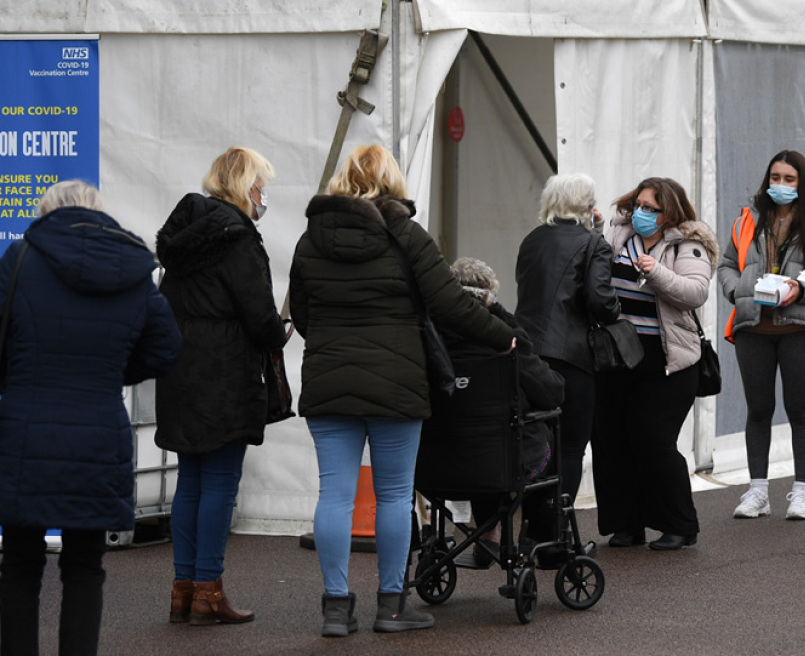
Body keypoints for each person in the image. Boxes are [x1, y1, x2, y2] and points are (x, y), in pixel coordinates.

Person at [290, 145, 515, 637]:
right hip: (396, 384)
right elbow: (451, 304)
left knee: (334, 496)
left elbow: (302, 313)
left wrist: (335, 346)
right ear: (392, 183)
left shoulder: (311, 238)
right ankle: (391, 606)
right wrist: (505, 337)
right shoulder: (406, 235)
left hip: (329, 384)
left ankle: (335, 608)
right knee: (394, 496)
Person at [0, 181, 182, 656]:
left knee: (20, 564)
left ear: (46, 213)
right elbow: (167, 349)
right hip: (99, 432)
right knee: (85, 566)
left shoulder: (20, 260)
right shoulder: (132, 269)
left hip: (25, 431)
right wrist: (114, 370)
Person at [155, 146, 288, 625]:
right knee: (220, 484)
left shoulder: (183, 240)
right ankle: (209, 590)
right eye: (261, 186)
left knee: (190, 481)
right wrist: (281, 331)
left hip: (180, 369)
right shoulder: (238, 238)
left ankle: (182, 590)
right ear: (245, 186)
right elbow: (259, 315)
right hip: (226, 372)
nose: (263, 195)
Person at [717, 150, 805, 521]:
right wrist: (736, 291)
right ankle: (757, 491)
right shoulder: (746, 220)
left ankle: (802, 492)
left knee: (799, 409)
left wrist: (799, 289)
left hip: (800, 328)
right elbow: (726, 265)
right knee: (758, 410)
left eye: (790, 180)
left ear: (802, 184)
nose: (781, 185)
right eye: (775, 178)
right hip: (752, 327)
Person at [592, 177, 717, 551]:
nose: (642, 214)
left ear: (669, 213)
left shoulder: (687, 244)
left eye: (651, 209)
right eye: (638, 206)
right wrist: (595, 230)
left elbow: (695, 293)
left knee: (652, 438)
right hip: (617, 356)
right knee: (610, 439)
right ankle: (625, 525)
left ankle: (680, 524)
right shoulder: (618, 235)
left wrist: (655, 270)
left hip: (668, 362)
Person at [439, 257, 565, 570]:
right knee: (540, 441)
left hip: (438, 464)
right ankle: (541, 537)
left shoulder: (432, 338)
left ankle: (487, 535)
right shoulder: (504, 338)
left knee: (478, 436)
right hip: (504, 462)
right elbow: (552, 391)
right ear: (489, 298)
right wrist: (503, 317)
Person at [514, 173, 621, 504]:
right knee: (572, 445)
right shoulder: (594, 244)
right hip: (572, 357)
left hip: (526, 354)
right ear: (588, 205)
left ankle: (534, 529)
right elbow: (601, 301)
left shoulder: (531, 240)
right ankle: (557, 535)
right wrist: (616, 309)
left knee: (535, 442)